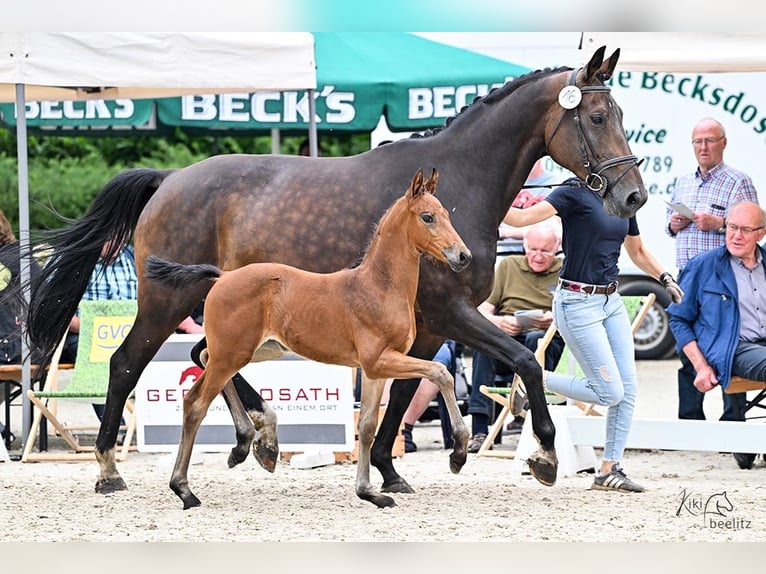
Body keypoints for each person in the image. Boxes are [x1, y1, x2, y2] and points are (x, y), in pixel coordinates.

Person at [504, 178, 684, 492]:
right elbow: (520, 219)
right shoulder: (572, 194)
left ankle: (609, 469)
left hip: (610, 300)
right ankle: (535, 378)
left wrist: (664, 276)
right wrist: (493, 187)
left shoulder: (625, 199)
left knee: (626, 389)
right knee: (609, 392)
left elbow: (637, 250)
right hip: (576, 302)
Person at [665, 117, 758, 427]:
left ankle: (732, 425)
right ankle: (690, 424)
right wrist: (674, 223)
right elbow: (669, 224)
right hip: (687, 275)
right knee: (687, 350)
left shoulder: (737, 181)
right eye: (697, 142)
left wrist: (717, 223)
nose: (703, 147)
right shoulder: (683, 181)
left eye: (709, 140)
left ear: (723, 143)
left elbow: (749, 225)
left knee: (729, 344)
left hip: (724, 277)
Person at [667, 201, 766, 470]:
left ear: (761, 233)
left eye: (746, 230)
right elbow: (678, 319)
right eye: (732, 227)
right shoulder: (703, 266)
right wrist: (700, 366)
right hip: (732, 347)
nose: (736, 235)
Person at [61, 240, 202, 421]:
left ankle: (163, 422)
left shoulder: (134, 257)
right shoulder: (76, 262)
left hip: (133, 334)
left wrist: (189, 326)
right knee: (103, 358)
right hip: (87, 336)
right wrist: (91, 328)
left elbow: (163, 299)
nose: (114, 243)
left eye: (119, 236)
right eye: (108, 237)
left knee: (171, 349)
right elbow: (58, 312)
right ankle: (114, 428)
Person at [467, 220, 565, 453]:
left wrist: (553, 318)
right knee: (485, 345)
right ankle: (480, 429)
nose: (538, 256)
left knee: (535, 341)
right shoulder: (508, 266)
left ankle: (535, 423)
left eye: (545, 251)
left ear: (557, 248)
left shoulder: (565, 270)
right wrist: (500, 322)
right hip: (510, 337)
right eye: (533, 250)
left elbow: (575, 313)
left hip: (546, 339)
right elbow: (483, 310)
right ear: (524, 245)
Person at [400, 340, 460, 453]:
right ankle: (385, 425)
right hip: (396, 339)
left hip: (432, 338)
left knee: (441, 355)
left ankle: (404, 429)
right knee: (385, 355)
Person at [497, 159, 561, 254]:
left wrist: (504, 233)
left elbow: (553, 228)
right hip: (503, 253)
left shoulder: (558, 183)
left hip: (544, 255)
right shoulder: (501, 183)